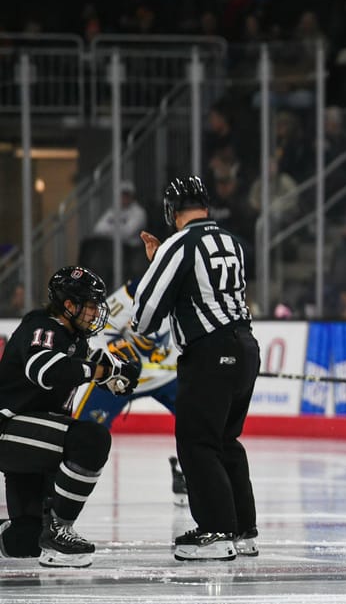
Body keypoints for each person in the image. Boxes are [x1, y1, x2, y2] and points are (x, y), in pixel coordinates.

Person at [132, 176, 260, 561]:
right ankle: (243, 531)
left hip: (209, 352)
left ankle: (216, 531)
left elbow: (145, 315)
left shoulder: (178, 244)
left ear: (171, 212)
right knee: (225, 440)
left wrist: (156, 264)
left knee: (197, 443)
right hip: (246, 347)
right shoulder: (233, 243)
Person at [0, 267, 140, 567]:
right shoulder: (43, 327)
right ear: (68, 304)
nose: (94, 312)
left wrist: (115, 370)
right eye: (89, 305)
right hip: (9, 429)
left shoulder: (71, 337)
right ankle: (60, 529)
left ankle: (46, 533)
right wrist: (103, 371)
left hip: (29, 439)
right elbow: (50, 372)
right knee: (91, 439)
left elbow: (83, 363)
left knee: (26, 541)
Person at [73, 279, 191, 531]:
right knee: (81, 430)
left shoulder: (189, 292)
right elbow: (98, 329)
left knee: (199, 422)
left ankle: (185, 470)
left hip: (168, 376)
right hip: (123, 376)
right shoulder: (134, 291)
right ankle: (55, 487)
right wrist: (109, 359)